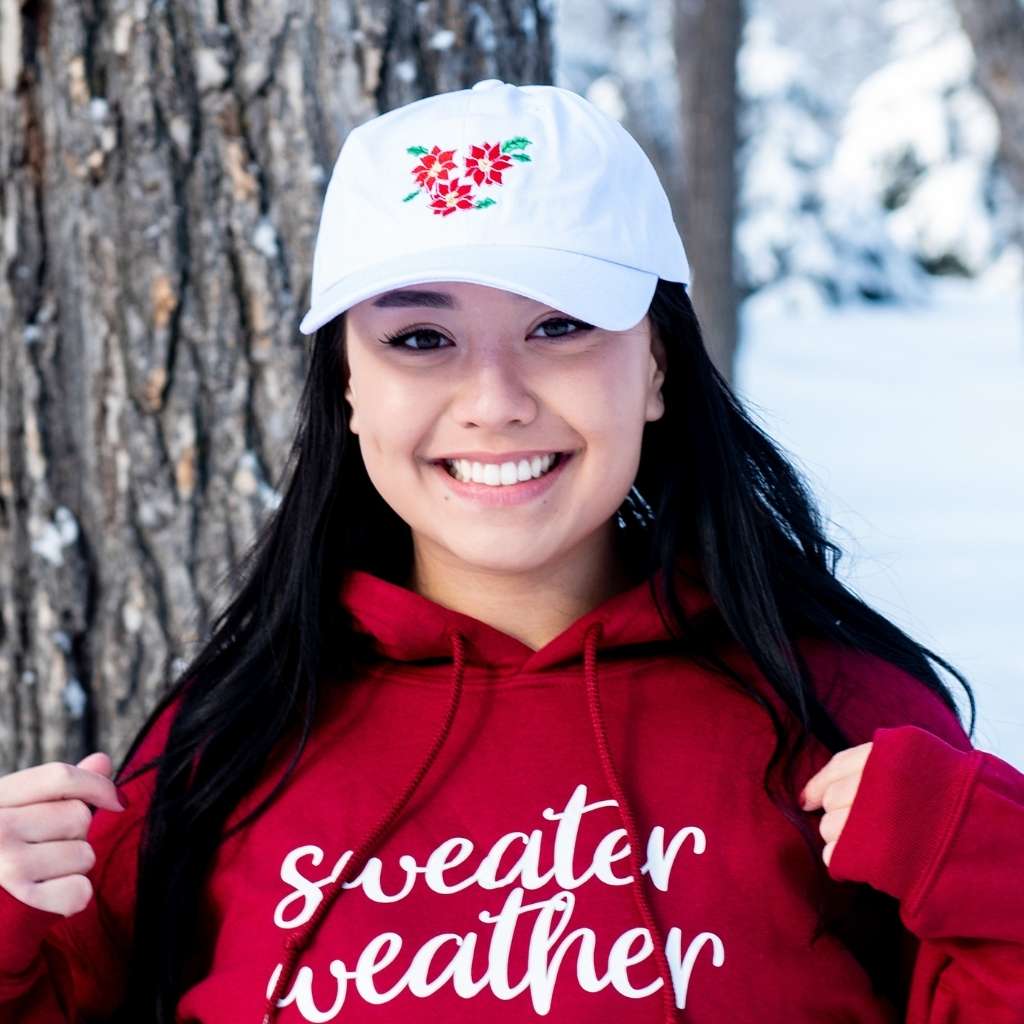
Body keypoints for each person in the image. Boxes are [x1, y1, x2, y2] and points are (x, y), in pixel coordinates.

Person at [0, 78, 1021, 1024]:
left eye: (560, 325)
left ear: (657, 363)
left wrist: (998, 880)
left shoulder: (842, 726)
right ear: (348, 385)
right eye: (419, 338)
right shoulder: (224, 748)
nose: (493, 400)